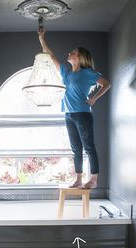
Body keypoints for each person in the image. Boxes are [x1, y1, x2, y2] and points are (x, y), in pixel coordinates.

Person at [38, 29, 111, 189]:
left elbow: (106, 84)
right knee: (75, 149)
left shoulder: (88, 73)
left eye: (73, 52)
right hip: (69, 115)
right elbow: (50, 56)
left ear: (79, 57)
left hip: (83, 114)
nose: (69, 53)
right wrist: (42, 39)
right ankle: (78, 179)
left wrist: (94, 98)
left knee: (89, 147)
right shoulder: (66, 72)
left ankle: (93, 180)